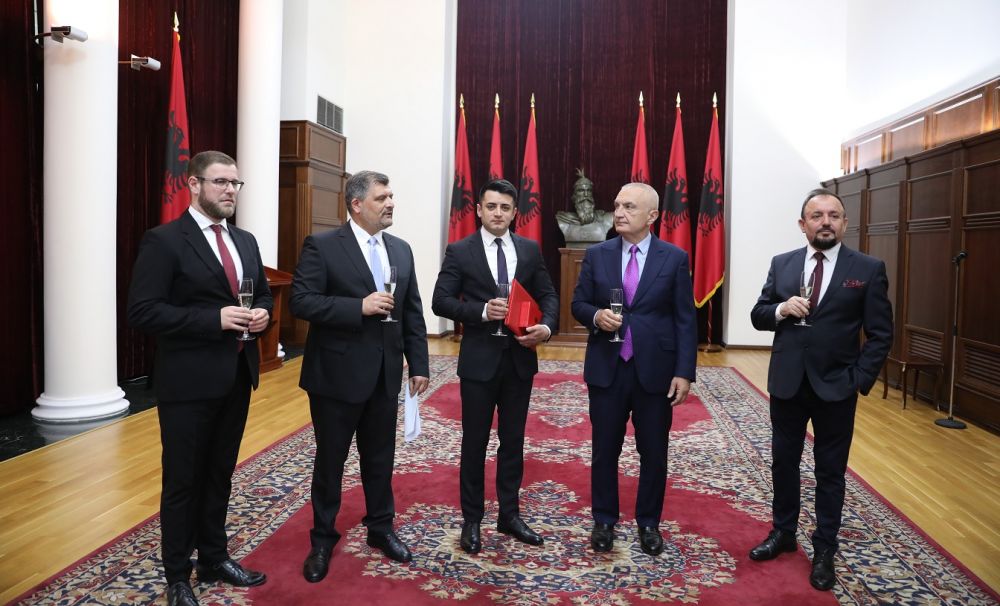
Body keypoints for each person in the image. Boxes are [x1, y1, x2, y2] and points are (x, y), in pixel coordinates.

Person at [128, 150, 273, 606]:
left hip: (237, 376)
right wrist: (214, 319)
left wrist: (263, 315)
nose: (230, 190)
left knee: (220, 474)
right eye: (220, 182)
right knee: (183, 481)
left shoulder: (245, 240)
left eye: (235, 183)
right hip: (187, 383)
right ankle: (177, 575)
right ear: (193, 184)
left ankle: (213, 556)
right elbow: (143, 311)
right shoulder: (164, 241)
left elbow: (263, 294)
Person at [749, 188, 892, 591]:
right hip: (788, 383)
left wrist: (858, 379)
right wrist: (781, 309)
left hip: (837, 387)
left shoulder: (867, 268)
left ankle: (825, 548)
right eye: (817, 215)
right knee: (783, 463)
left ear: (844, 223)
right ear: (803, 224)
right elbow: (759, 315)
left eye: (833, 215)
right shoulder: (782, 263)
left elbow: (881, 334)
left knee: (830, 472)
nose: (825, 222)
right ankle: (783, 532)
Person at [290, 170, 430, 583]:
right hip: (335, 376)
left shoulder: (401, 249)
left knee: (380, 458)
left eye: (391, 196)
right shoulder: (322, 246)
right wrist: (358, 307)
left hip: (385, 375)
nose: (391, 203)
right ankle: (322, 540)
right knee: (331, 461)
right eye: (381, 198)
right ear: (356, 204)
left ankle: (381, 528)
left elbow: (412, 311)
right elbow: (302, 301)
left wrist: (419, 363)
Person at [431, 178, 559, 554]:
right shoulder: (460, 251)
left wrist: (547, 327)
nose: (498, 213)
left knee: (513, 441)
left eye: (505, 208)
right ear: (479, 210)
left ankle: (510, 515)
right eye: (491, 207)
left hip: (519, 360)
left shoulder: (529, 250)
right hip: (479, 362)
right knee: (474, 442)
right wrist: (483, 311)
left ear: (515, 212)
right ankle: (472, 520)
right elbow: (441, 301)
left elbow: (548, 294)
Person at [571, 182, 697, 556]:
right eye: (617, 205)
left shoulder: (674, 258)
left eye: (629, 207)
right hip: (607, 368)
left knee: (653, 452)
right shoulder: (597, 255)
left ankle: (649, 523)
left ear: (652, 215)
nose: (619, 213)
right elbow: (578, 304)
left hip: (655, 370)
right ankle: (604, 520)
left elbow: (685, 319)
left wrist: (684, 372)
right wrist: (596, 316)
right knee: (604, 450)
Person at [556, 169, 614, 246]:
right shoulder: (563, 220)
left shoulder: (607, 219)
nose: (586, 195)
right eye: (581, 190)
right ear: (574, 196)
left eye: (589, 190)